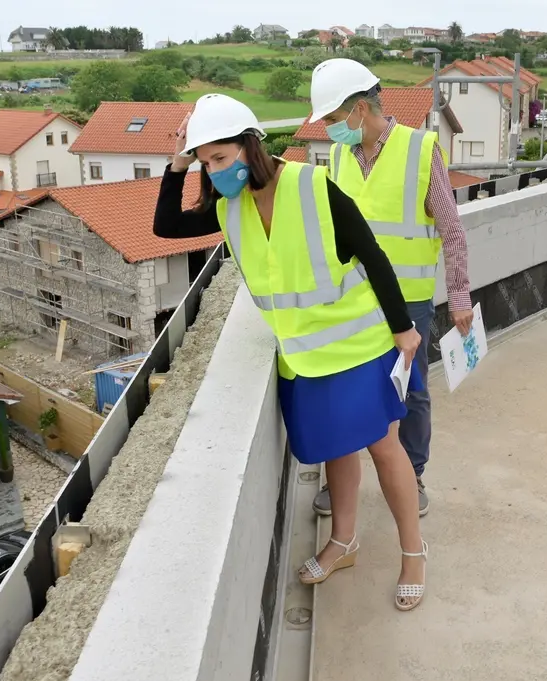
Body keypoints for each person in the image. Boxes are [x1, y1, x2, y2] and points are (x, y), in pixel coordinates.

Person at [153, 93, 429, 611]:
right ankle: (344, 541)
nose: (214, 172)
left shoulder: (312, 185)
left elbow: (373, 254)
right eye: (205, 161)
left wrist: (403, 329)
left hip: (362, 345)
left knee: (383, 448)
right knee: (338, 449)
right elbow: (165, 228)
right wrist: (177, 163)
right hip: (305, 356)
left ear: (249, 146)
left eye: (220, 158)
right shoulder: (227, 206)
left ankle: (413, 553)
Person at [307, 58, 474, 519]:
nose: (329, 129)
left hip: (409, 301)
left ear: (361, 108)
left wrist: (459, 296)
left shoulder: (421, 149)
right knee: (347, 388)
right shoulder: (340, 155)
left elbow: (452, 230)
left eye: (333, 119)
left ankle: (413, 473)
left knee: (410, 391)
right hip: (353, 300)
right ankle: (341, 483)